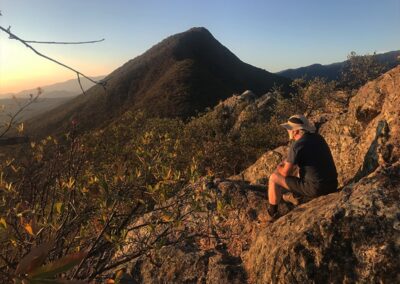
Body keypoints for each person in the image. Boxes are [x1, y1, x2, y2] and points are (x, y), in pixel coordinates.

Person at [262, 114, 338, 222]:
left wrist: (279, 168)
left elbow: (285, 173)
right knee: (300, 168)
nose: (287, 131)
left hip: (316, 189)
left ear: (295, 131)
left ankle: (271, 214)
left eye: (289, 129)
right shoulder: (318, 138)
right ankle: (297, 196)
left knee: (274, 178)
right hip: (332, 184)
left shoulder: (297, 146)